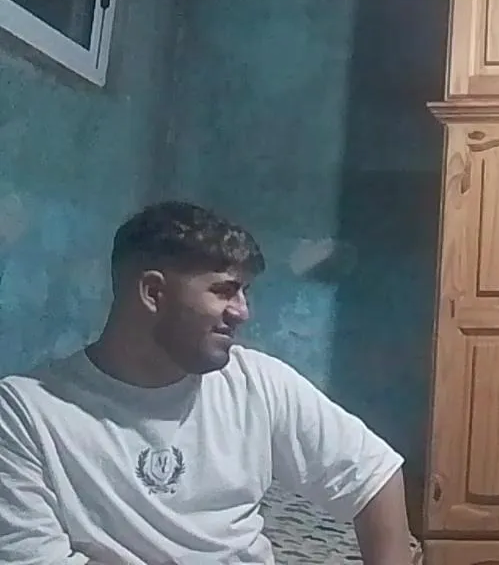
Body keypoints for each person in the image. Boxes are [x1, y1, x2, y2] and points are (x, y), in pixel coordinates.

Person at [0, 201, 414, 565]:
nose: (242, 312)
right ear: (153, 292)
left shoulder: (256, 382)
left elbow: (373, 476)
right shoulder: (26, 412)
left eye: (244, 292)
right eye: (224, 291)